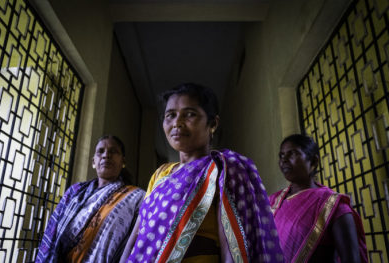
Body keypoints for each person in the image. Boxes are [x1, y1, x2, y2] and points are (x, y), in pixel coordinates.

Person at [121, 83, 283, 263]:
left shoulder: (224, 168)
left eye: (189, 114)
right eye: (170, 115)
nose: (177, 123)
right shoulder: (160, 174)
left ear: (212, 123)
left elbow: (233, 244)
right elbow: (138, 234)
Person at [36, 135, 145, 263]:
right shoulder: (75, 192)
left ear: (123, 162)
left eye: (113, 151)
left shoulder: (137, 197)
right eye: (101, 151)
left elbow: (136, 243)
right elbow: (52, 233)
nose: (106, 155)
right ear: (94, 162)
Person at [269, 134, 368, 263]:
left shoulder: (333, 205)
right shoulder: (272, 202)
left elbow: (351, 259)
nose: (284, 160)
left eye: (292, 154)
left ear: (314, 162)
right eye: (281, 155)